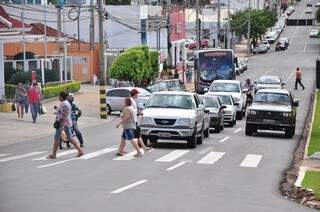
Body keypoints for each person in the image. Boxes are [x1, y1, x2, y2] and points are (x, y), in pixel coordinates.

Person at [47, 91, 84, 159]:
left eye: (59, 96)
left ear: (61, 97)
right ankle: (80, 151)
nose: (58, 97)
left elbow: (64, 115)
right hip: (65, 123)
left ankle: (54, 154)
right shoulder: (65, 103)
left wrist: (62, 126)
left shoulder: (64, 104)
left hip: (63, 123)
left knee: (56, 138)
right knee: (69, 138)